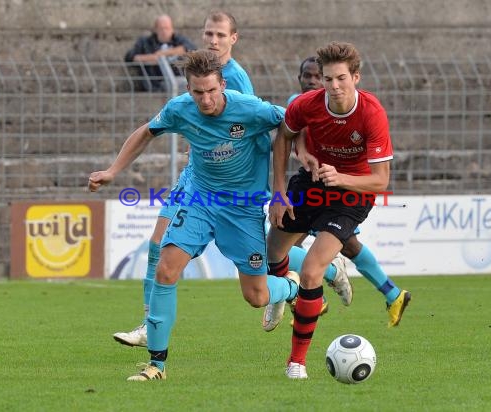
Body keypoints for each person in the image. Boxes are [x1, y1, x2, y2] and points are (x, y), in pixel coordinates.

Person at [112, 11, 351, 347]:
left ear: (232, 40)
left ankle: (321, 268)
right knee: (159, 246)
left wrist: (296, 153)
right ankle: (150, 326)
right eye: (208, 33)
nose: (212, 40)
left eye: (220, 35)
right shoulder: (186, 96)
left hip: (238, 190)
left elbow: (265, 128)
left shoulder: (237, 82)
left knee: (259, 276)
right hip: (199, 181)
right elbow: (164, 128)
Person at [89, 50, 300, 381]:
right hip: (199, 199)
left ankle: (289, 288)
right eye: (197, 92)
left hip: (242, 208)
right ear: (188, 89)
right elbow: (146, 132)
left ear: (223, 85)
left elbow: (291, 126)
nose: (205, 100)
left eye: (211, 91)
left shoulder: (251, 109)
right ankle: (156, 366)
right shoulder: (180, 109)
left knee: (256, 296)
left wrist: (288, 179)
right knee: (166, 269)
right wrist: (113, 171)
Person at [266, 41, 411, 379]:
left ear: (356, 77)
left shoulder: (371, 113)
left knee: (314, 270)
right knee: (272, 251)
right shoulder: (307, 104)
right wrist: (278, 192)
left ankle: (296, 362)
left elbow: (380, 180)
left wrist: (341, 176)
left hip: (352, 194)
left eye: (340, 78)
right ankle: (292, 293)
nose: (333, 86)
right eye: (327, 79)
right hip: (311, 184)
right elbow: (283, 138)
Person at [124, 14, 197, 91]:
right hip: (156, 81)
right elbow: (130, 57)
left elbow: (191, 49)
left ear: (172, 29)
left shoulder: (177, 40)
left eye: (167, 28)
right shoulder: (145, 42)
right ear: (155, 29)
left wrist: (164, 53)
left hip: (178, 76)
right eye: (161, 28)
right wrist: (153, 58)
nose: (164, 31)